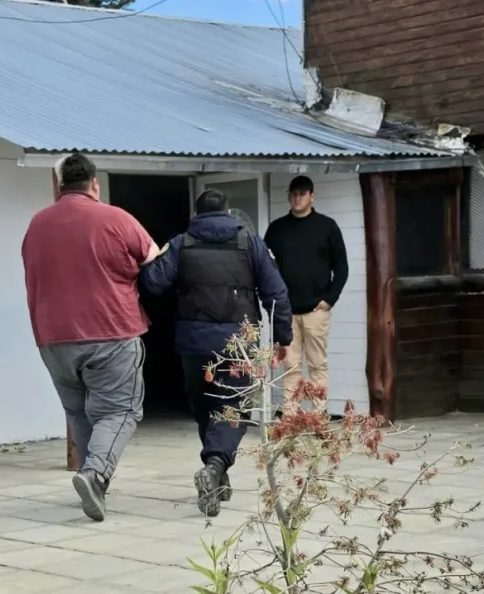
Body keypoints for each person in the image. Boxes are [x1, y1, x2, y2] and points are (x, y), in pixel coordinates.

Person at [21, 153, 163, 522]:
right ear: (94, 184)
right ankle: (95, 475)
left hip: (52, 338)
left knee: (79, 412)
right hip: (110, 331)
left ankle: (93, 483)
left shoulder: (37, 225)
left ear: (58, 186)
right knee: (121, 410)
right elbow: (155, 262)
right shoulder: (115, 218)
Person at [140, 189, 292, 517]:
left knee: (207, 407)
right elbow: (275, 291)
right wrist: (282, 336)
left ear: (197, 213)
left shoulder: (181, 243)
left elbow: (152, 283)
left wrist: (156, 255)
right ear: (227, 210)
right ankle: (214, 466)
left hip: (194, 341)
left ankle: (217, 473)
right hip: (239, 339)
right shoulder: (249, 242)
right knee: (233, 408)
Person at [263, 175, 349, 400]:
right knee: (290, 366)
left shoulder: (327, 226)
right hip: (286, 311)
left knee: (317, 365)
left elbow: (342, 267)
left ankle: (318, 420)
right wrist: (272, 300)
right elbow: (265, 267)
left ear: (312, 196)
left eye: (302, 194)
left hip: (315, 310)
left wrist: (329, 299)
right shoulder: (277, 229)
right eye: (293, 194)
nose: (297, 198)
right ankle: (291, 421)